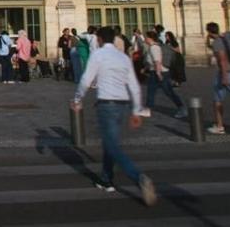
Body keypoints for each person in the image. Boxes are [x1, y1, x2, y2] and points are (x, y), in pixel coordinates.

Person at [72, 26, 157, 206]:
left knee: (112, 145)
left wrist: (77, 99)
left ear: (100, 39)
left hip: (106, 104)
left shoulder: (98, 55)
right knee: (110, 143)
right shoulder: (123, 57)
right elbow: (133, 85)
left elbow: (86, 79)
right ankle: (106, 179)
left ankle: (139, 177)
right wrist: (136, 111)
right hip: (123, 105)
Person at [140, 31, 187, 118]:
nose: (145, 39)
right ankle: (148, 109)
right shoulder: (153, 47)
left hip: (159, 72)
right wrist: (145, 69)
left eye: (146, 37)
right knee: (152, 91)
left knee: (168, 91)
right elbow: (152, 62)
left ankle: (182, 108)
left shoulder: (154, 48)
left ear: (150, 38)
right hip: (156, 71)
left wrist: (158, 73)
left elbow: (157, 61)